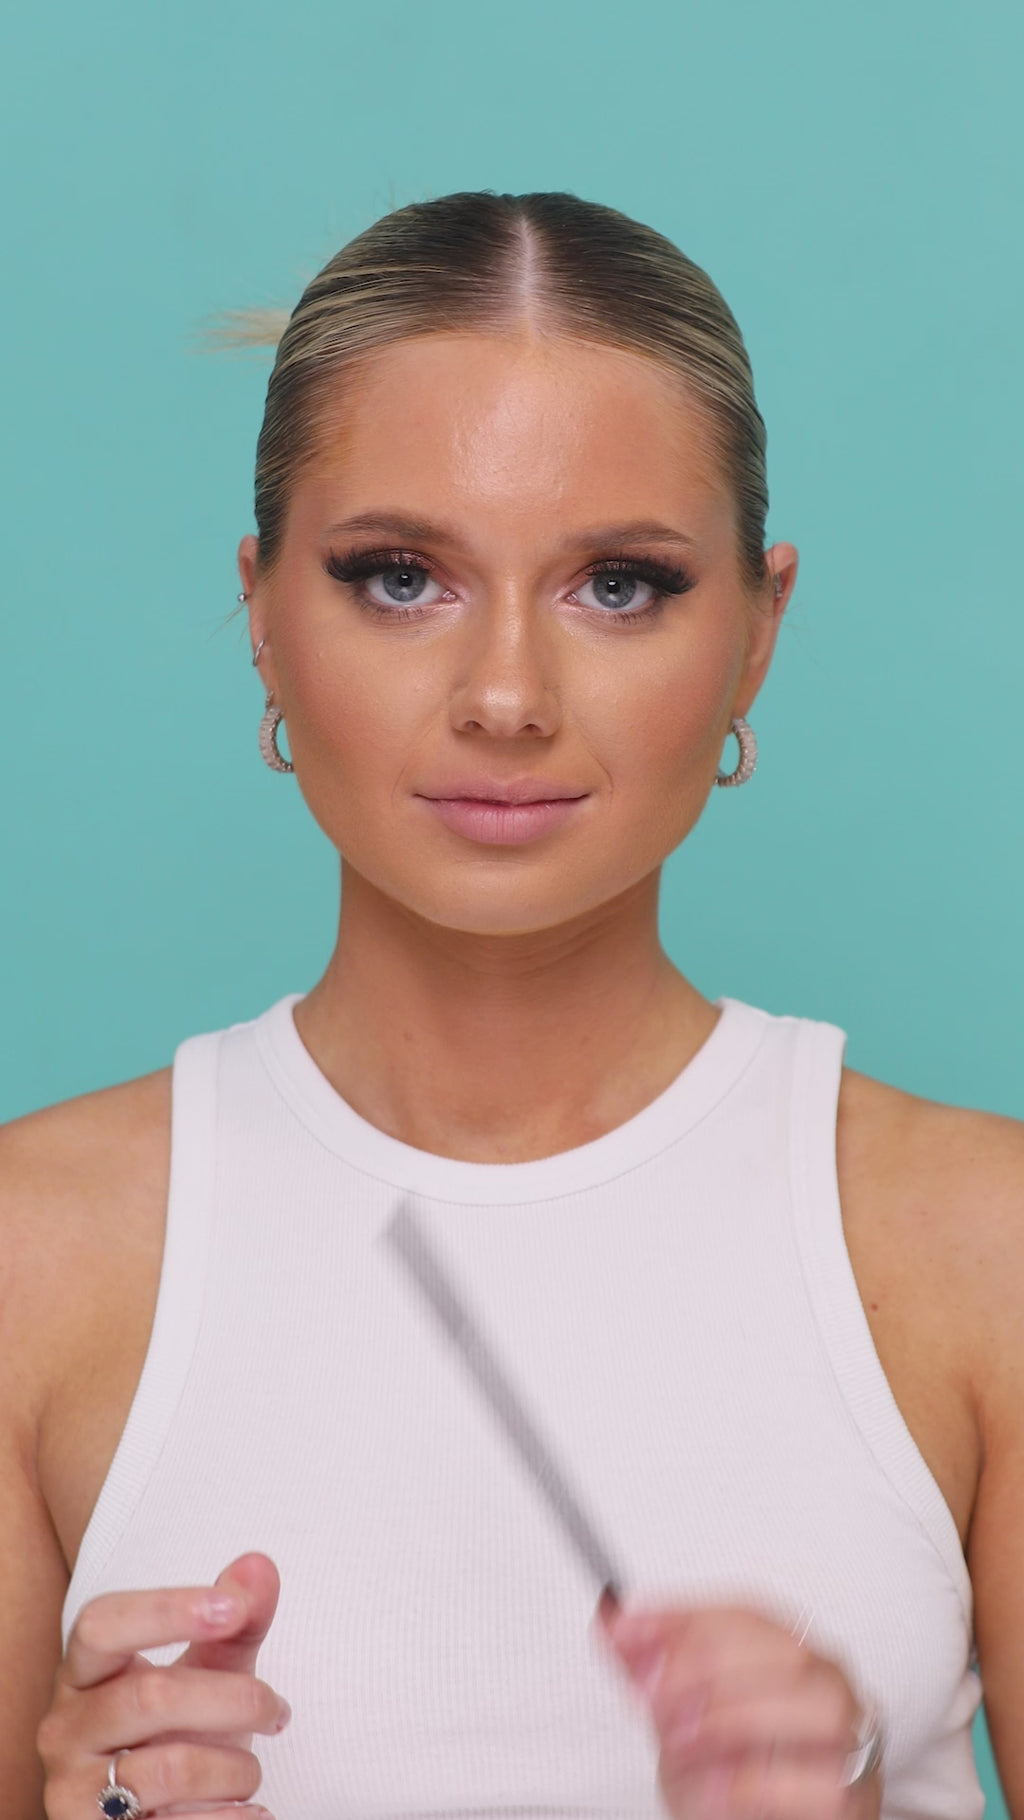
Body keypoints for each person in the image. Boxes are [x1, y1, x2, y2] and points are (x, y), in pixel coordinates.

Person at [2, 190, 1020, 1820]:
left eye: (618, 585)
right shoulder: (29, 1258)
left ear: (759, 633)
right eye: (401, 576)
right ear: (261, 612)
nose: (504, 696)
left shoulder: (986, 1252)